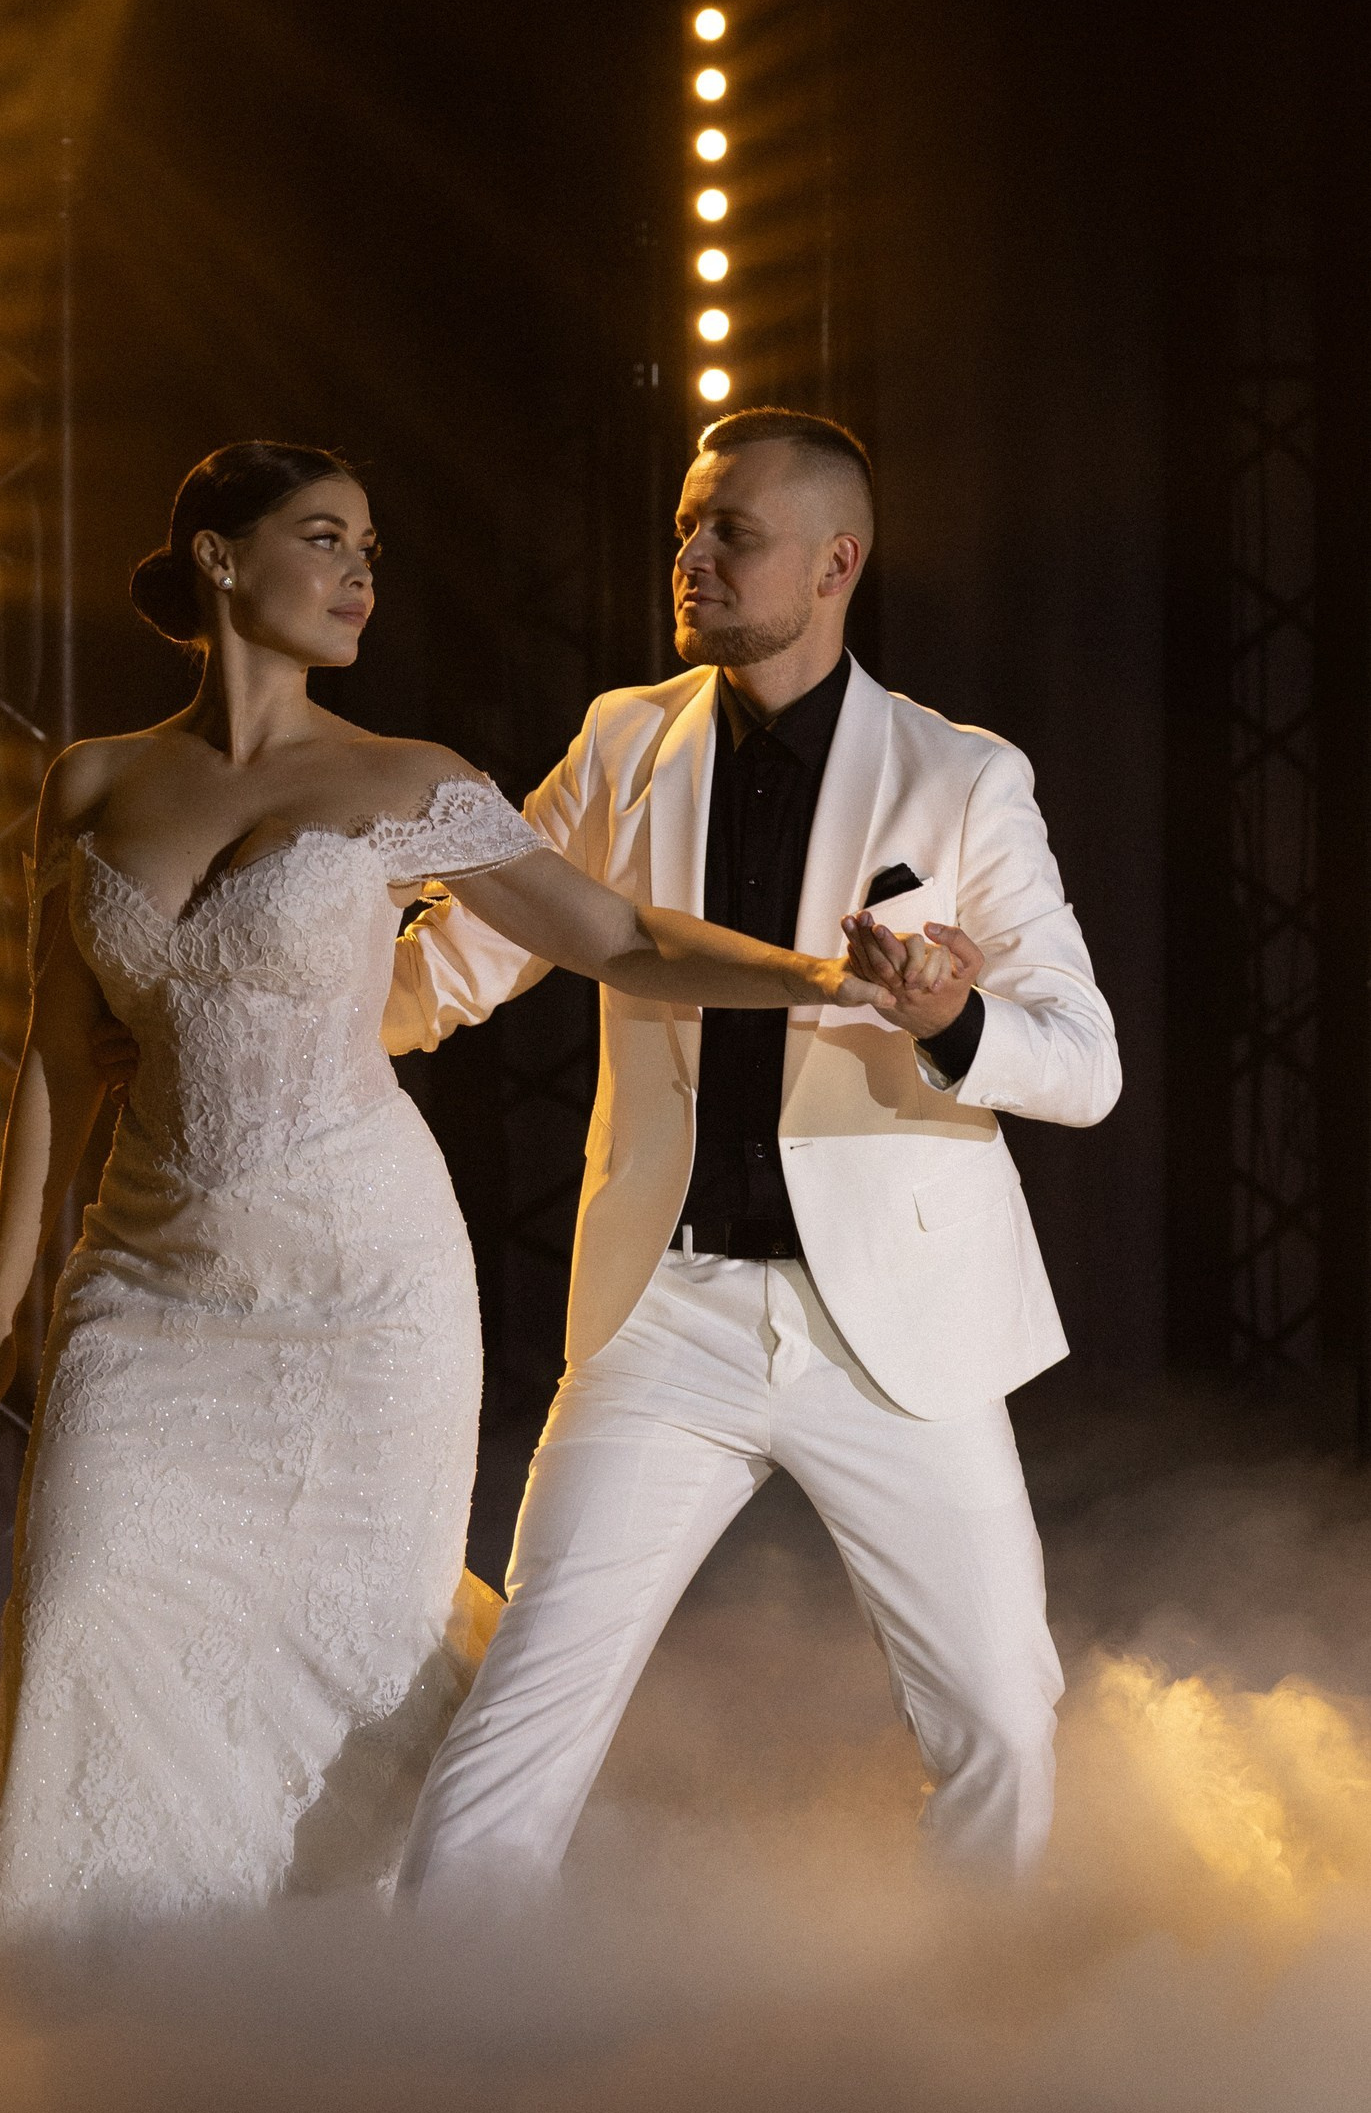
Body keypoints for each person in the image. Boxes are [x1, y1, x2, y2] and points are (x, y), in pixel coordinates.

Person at [0, 437, 890, 1957]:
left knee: (359, 1645)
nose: (360, 577)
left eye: (370, 551)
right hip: (144, 1286)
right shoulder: (94, 781)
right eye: (325, 540)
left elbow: (618, 939)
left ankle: (365, 1983)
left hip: (364, 1290)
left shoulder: (408, 781)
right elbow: (57, 1058)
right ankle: (92, 1980)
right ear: (220, 560)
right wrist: (1, 1312)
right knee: (86, 1603)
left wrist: (825, 979)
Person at [389, 408, 1120, 1896]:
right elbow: (468, 954)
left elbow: (1085, 1065)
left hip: (895, 1328)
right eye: (686, 527)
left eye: (733, 532)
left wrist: (953, 1017)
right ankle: (433, 2014)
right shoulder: (622, 741)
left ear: (836, 564)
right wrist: (266, 1025)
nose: (692, 557)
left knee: (999, 1723)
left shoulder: (964, 776)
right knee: (524, 1710)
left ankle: (987, 2017)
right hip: (667, 1309)